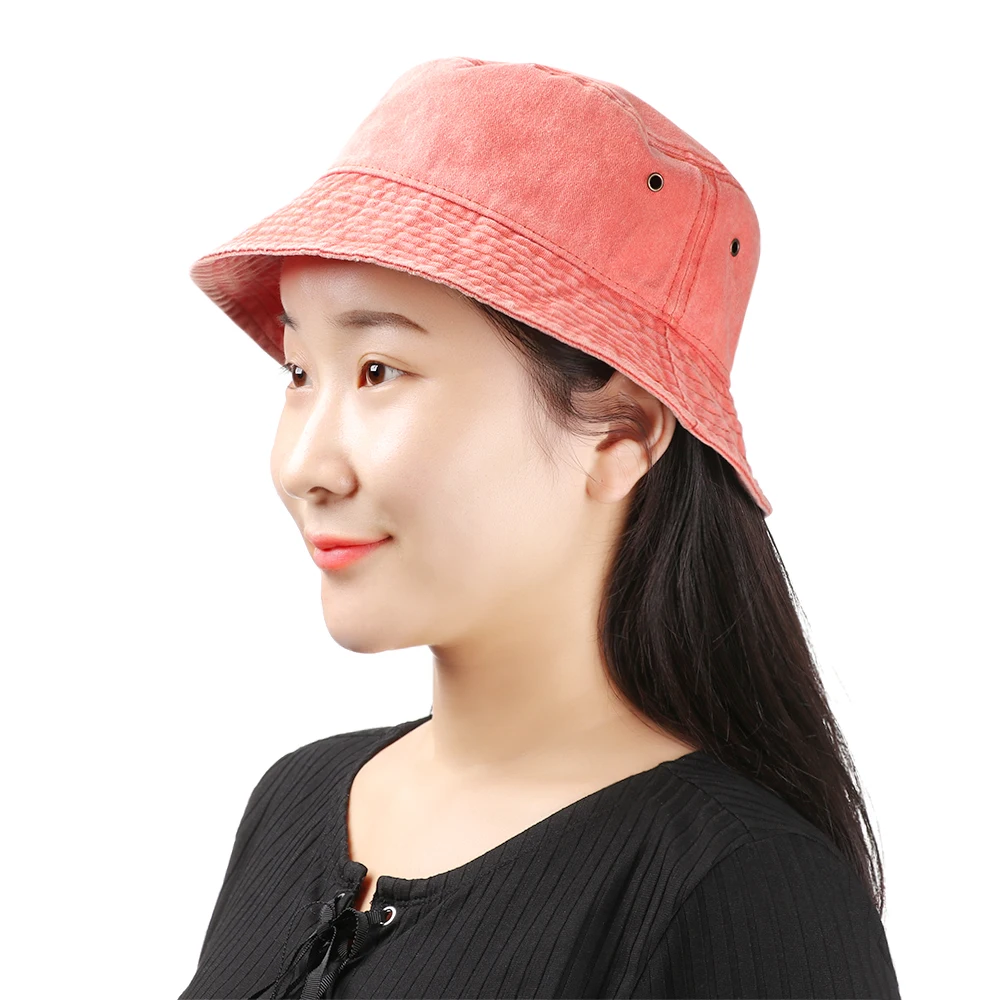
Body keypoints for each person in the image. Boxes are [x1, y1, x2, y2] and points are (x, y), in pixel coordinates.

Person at [179, 58, 901, 999]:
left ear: (622, 434)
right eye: (298, 372)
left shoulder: (742, 883)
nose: (304, 467)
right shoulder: (295, 802)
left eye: (379, 371)